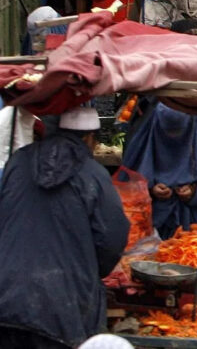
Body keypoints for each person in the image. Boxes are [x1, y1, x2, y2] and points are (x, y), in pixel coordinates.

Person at [0, 106, 128, 348]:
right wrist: (87, 270)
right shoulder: (94, 174)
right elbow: (111, 240)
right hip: (62, 308)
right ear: (89, 139)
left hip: (5, 297)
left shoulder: (18, 162)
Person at [122, 101, 197, 239]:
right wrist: (151, 191)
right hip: (155, 225)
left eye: (179, 132)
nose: (174, 140)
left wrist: (195, 191)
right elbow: (128, 189)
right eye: (168, 132)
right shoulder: (142, 146)